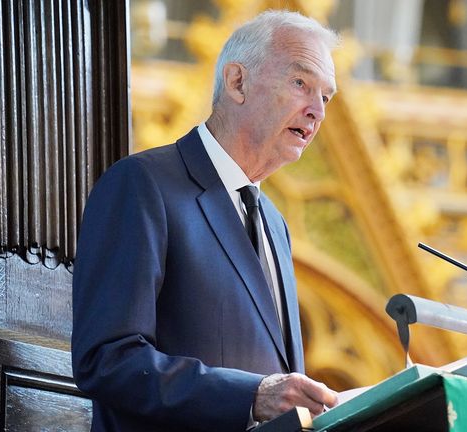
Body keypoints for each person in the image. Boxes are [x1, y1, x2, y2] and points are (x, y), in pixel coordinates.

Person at [71, 10, 339, 431]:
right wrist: (252, 395)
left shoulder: (274, 224)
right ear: (237, 82)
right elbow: (106, 359)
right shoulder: (144, 185)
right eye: (301, 83)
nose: (316, 111)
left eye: (326, 97)